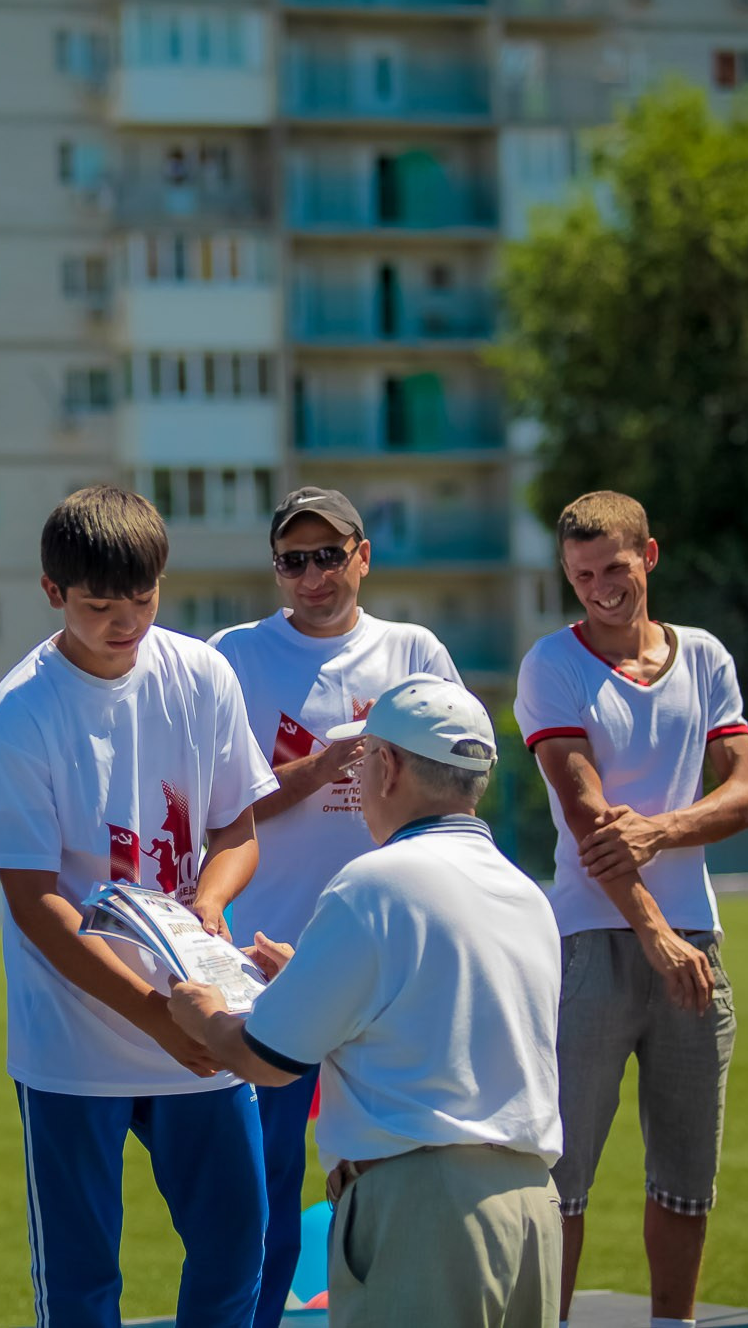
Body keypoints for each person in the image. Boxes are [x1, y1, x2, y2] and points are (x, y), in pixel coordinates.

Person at [0, 485, 278, 1328]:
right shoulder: (18, 713)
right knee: (83, 1285)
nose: (126, 620)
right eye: (100, 604)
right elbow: (37, 905)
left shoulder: (201, 673)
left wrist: (207, 907)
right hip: (75, 1042)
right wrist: (154, 1014)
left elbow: (237, 831)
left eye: (144, 597)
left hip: (200, 1021)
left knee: (236, 1247)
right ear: (52, 592)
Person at [171, 674, 564, 1328]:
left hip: (424, 1211)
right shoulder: (527, 895)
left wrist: (202, 1012)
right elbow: (439, 1011)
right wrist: (311, 981)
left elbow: (268, 1058)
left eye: (366, 755)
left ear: (390, 767)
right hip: (531, 1204)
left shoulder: (374, 882)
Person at [512, 491, 748, 1328]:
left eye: (613, 568)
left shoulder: (705, 657)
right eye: (581, 575)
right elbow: (588, 817)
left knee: (688, 1174)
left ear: (648, 555)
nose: (598, 588)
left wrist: (659, 829)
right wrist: (652, 929)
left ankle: (674, 1323)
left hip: (695, 937)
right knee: (563, 1172)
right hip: (589, 942)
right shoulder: (553, 663)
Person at [207, 485, 459, 1324]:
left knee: (403, 1166)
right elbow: (220, 809)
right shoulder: (233, 656)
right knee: (267, 1186)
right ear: (276, 569)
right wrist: (313, 771)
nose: (312, 576)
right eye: (293, 560)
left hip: (395, 962)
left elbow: (456, 787)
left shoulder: (414, 649)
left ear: (363, 555)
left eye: (328, 555)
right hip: (268, 955)